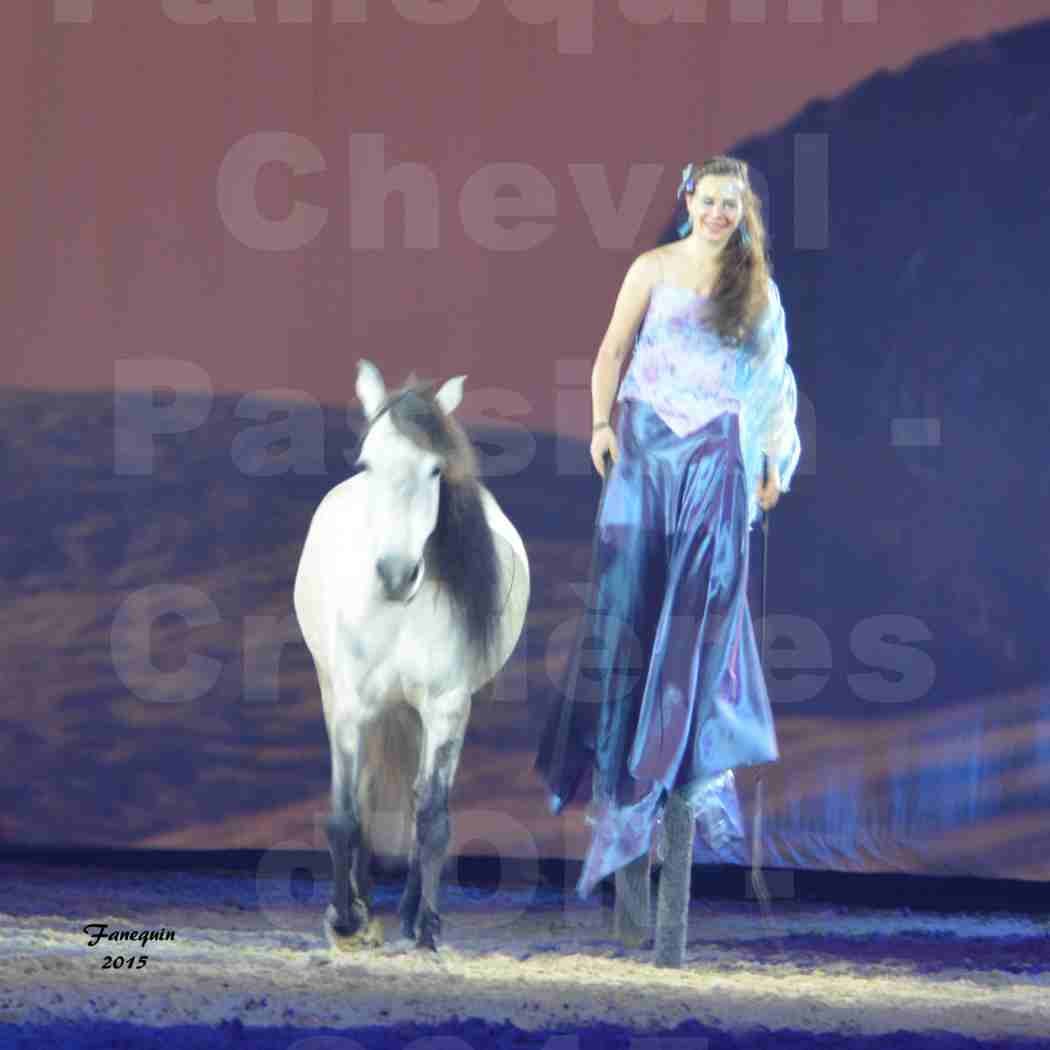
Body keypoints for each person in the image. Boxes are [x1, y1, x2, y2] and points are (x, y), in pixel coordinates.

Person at [534, 155, 801, 968]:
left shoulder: (756, 288)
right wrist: (598, 425)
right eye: (708, 199)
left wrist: (770, 465)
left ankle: (679, 784)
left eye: (731, 203)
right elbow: (611, 350)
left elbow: (772, 382)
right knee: (626, 630)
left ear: (741, 210)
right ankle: (623, 849)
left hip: (717, 460)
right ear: (687, 200)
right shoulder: (651, 268)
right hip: (646, 453)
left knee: (695, 631)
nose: (719, 212)